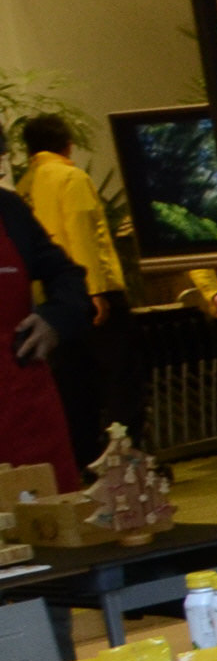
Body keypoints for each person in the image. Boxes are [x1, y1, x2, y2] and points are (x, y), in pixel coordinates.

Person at [18, 115, 122, 464]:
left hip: (47, 307)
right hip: (84, 295)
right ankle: (121, 459)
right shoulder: (70, 176)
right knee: (118, 380)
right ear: (67, 143)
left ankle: (83, 455)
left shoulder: (24, 186)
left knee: (74, 385)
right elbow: (79, 230)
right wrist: (94, 292)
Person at [0, 180, 94, 489]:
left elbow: (65, 274)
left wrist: (56, 318)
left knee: (51, 519)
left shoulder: (8, 209)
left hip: (23, 401)